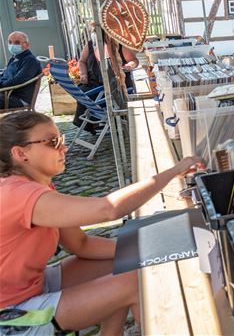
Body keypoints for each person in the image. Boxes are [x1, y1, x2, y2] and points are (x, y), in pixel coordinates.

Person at [0, 111, 204, 334]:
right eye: (53, 142)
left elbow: (81, 244)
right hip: (11, 315)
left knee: (127, 265)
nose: (63, 148)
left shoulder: (34, 188)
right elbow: (108, 208)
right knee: (139, 282)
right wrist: (174, 171)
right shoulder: (18, 194)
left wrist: (143, 251)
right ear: (20, 153)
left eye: (62, 140)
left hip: (31, 286)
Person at [72, 27, 139, 132]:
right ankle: (93, 121)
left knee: (89, 94)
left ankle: (95, 121)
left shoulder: (119, 45)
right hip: (94, 84)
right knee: (84, 92)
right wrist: (83, 74)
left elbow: (133, 60)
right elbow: (81, 62)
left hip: (116, 86)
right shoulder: (90, 45)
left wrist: (130, 65)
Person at [0, 31, 42, 108]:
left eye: (16, 42)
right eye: (10, 42)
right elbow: (5, 74)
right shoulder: (15, 58)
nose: (12, 45)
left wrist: (1, 84)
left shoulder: (30, 61)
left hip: (18, 98)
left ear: (27, 45)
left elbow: (18, 80)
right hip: (6, 94)